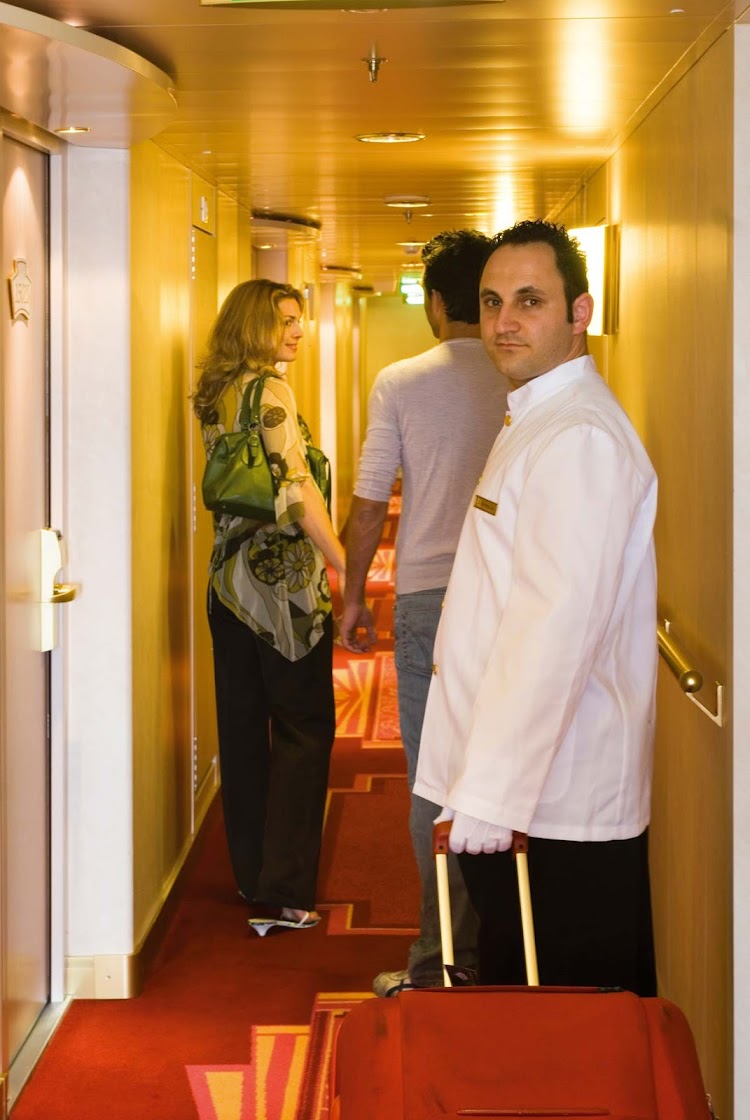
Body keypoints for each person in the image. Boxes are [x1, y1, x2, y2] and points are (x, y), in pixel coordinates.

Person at [413, 220, 658, 995]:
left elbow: (552, 633)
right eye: (491, 303)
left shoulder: (578, 437)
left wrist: (490, 797)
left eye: (529, 301)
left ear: (579, 312)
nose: (504, 323)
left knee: (561, 1034)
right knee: (525, 1020)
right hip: (526, 798)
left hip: (552, 807)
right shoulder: (537, 417)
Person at [339, 230, 509, 994]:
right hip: (512, 597)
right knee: (510, 767)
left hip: (429, 601)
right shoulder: (525, 376)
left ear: (438, 303)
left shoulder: (401, 381)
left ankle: (442, 960)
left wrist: (350, 597)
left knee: (433, 781)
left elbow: (371, 501)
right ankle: (511, 947)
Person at [193, 279, 345, 936]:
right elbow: (296, 488)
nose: (298, 332)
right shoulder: (270, 391)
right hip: (281, 594)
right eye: (286, 320)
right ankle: (286, 891)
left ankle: (254, 876)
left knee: (243, 731)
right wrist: (345, 564)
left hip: (228, 586)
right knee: (305, 730)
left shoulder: (214, 393)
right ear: (255, 323)